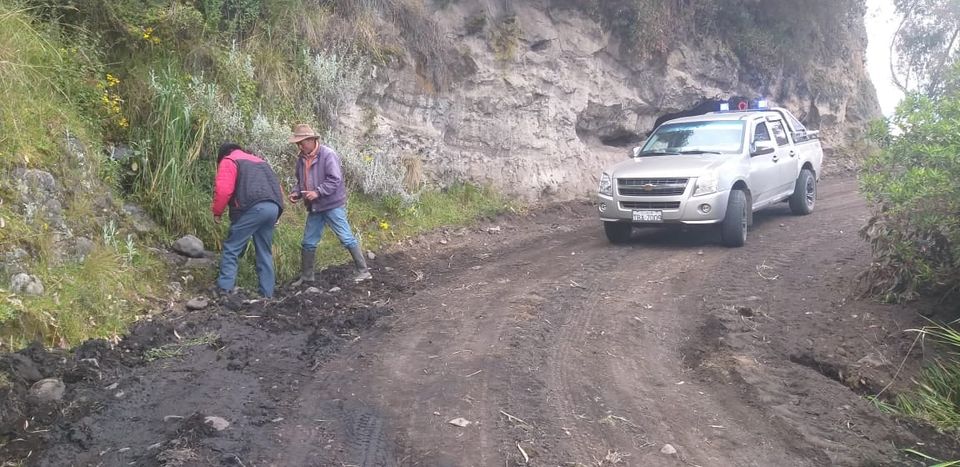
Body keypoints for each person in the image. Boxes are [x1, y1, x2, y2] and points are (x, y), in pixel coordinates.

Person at [287, 124, 371, 285]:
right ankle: (307, 276)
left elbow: (334, 179)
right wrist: (296, 192)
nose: (299, 146)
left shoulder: (328, 154)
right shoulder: (301, 159)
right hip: (315, 207)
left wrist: (317, 192)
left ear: (311, 140)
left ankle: (363, 271)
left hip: (332, 205)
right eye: (298, 143)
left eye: (301, 143)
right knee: (308, 242)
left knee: (346, 237)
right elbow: (300, 181)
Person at [211, 143, 285, 298]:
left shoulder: (229, 160)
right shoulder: (261, 162)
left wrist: (217, 212)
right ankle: (267, 294)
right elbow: (277, 187)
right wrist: (277, 213)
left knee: (231, 247)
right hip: (273, 207)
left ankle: (224, 289)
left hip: (252, 208)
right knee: (264, 252)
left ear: (223, 155)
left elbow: (223, 190)